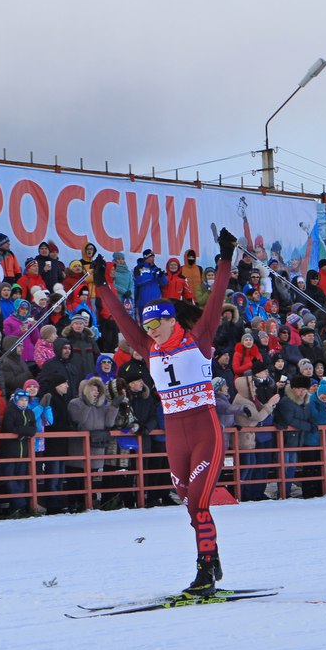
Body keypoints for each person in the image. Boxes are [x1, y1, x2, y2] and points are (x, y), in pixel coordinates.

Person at [94, 227, 235, 596]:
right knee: (189, 505)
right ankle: (212, 553)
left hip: (204, 427)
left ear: (173, 320)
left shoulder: (199, 337)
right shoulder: (147, 347)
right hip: (175, 433)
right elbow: (121, 318)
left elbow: (218, 297)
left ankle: (204, 572)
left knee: (200, 504)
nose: (151, 330)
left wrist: (225, 257)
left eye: (158, 323)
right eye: (148, 325)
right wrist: (101, 283)